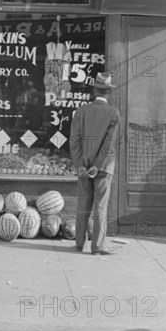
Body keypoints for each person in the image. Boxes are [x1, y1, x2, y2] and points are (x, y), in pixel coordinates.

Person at [70, 72, 120, 255]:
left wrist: (80, 165)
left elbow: (74, 141)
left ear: (93, 90)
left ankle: (79, 243)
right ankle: (97, 246)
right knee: (100, 206)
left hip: (83, 165)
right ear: (109, 92)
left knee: (83, 203)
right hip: (104, 168)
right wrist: (97, 166)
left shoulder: (81, 112)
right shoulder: (114, 113)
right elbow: (109, 143)